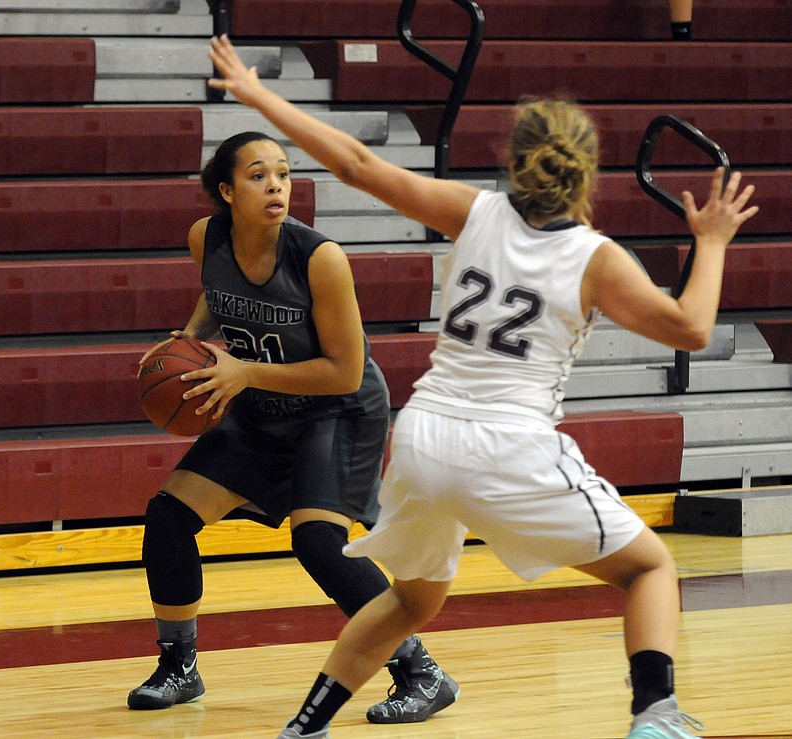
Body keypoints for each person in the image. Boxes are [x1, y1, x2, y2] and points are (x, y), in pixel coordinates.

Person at [207, 34, 759, 739]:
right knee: (650, 568)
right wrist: (709, 244)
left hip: (425, 438)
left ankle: (305, 726)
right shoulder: (595, 257)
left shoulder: (475, 211)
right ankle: (655, 716)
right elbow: (690, 328)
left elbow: (355, 162)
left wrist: (258, 95)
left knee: (411, 602)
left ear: (515, 161)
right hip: (510, 443)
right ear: (587, 173)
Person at [126, 130, 459, 725]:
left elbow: (344, 371)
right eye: (258, 175)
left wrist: (243, 371)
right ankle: (180, 666)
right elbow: (217, 296)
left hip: (338, 410)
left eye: (282, 173)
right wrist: (189, 338)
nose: (276, 184)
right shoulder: (207, 238)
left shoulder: (319, 258)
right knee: (167, 518)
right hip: (260, 405)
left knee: (317, 540)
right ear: (226, 191)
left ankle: (421, 672)